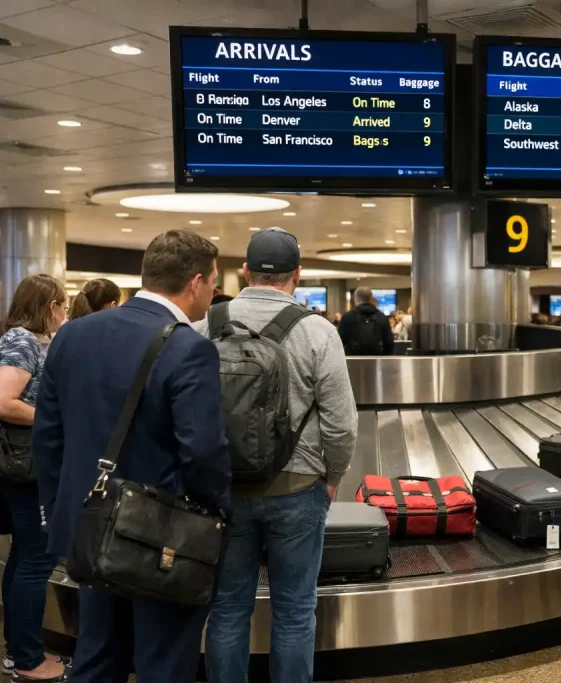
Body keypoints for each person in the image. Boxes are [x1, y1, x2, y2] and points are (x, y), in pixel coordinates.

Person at [32, 230, 231, 683]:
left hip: (88, 527)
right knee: (163, 662)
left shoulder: (72, 335)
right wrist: (218, 513)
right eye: (214, 282)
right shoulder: (187, 347)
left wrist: (59, 513)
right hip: (162, 539)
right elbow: (202, 449)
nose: (213, 292)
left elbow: (48, 436)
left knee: (97, 656)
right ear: (196, 282)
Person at [195, 228, 358, 683]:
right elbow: (341, 423)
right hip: (297, 486)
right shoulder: (317, 331)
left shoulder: (206, 323)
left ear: (245, 271)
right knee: (294, 608)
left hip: (224, 487)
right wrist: (333, 475)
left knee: (227, 606)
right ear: (298, 275)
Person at [0, 274, 69, 683]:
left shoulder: (26, 341)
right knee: (35, 560)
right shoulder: (22, 341)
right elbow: (5, 401)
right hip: (27, 470)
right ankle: (26, 659)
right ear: (48, 305)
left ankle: (19, 650)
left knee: (25, 558)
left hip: (27, 468)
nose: (64, 310)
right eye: (61, 303)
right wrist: (54, 421)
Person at [339, 288, 393, 356]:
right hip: (376, 360)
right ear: (371, 298)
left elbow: (339, 342)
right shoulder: (382, 317)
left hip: (352, 360)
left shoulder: (347, 317)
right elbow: (389, 342)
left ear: (356, 298)